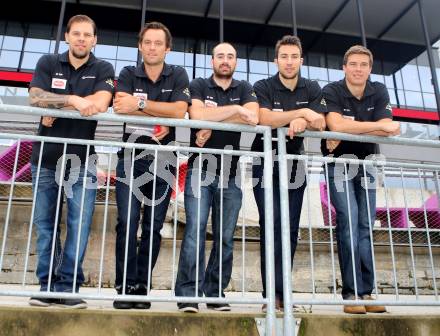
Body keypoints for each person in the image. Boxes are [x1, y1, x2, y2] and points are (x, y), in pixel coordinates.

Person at [28, 14, 114, 308]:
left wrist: (56, 103)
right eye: (76, 34)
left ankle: (67, 287)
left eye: (86, 35)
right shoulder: (47, 63)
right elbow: (35, 97)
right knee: (45, 223)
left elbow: (100, 103)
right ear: (67, 36)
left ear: (94, 40)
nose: (81, 39)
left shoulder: (103, 67)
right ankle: (46, 285)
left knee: (79, 224)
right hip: (46, 157)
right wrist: (74, 101)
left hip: (82, 162)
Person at [175, 42, 258, 313]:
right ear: (213, 61)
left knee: (225, 237)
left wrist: (214, 121)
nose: (225, 60)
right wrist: (235, 111)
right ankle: (188, 295)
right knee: (195, 232)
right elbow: (196, 113)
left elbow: (254, 117)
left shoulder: (245, 88)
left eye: (230, 56)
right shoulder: (199, 85)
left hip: (231, 174)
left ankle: (214, 292)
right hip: (201, 170)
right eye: (220, 56)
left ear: (235, 62)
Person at [112, 21, 190, 309]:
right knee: (127, 223)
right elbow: (122, 107)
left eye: (159, 43)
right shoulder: (127, 73)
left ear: (167, 48)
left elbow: (179, 110)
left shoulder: (178, 74)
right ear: (140, 45)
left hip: (164, 162)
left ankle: (141, 286)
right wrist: (159, 112)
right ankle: (124, 286)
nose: (153, 47)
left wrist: (141, 105)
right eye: (148, 42)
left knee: (153, 226)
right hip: (131, 159)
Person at [321, 45, 400, 314]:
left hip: (367, 165)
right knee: (349, 223)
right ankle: (351, 294)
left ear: (370, 68)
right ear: (344, 67)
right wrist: (376, 126)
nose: (358, 69)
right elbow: (337, 125)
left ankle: (367, 292)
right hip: (339, 165)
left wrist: (349, 126)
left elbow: (390, 126)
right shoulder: (332, 90)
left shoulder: (378, 90)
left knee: (365, 225)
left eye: (363, 65)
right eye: (353, 64)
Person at [251, 35, 326, 312]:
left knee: (290, 230)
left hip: (294, 164)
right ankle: (269, 295)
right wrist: (302, 112)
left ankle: (284, 294)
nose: (289, 61)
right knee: (270, 228)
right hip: (265, 162)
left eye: (294, 57)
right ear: (276, 60)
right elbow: (265, 118)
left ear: (301, 60)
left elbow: (319, 122)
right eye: (284, 56)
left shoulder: (312, 87)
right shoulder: (263, 86)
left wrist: (304, 118)